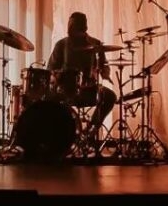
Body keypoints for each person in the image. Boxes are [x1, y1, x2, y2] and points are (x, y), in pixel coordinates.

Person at [46, 12, 118, 141]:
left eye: (75, 29)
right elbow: (50, 69)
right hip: (65, 90)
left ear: (84, 28)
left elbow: (103, 66)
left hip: (90, 90)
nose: (72, 33)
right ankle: (59, 138)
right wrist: (56, 76)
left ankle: (91, 130)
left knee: (110, 96)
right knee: (47, 100)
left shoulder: (96, 44)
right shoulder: (61, 45)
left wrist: (105, 72)